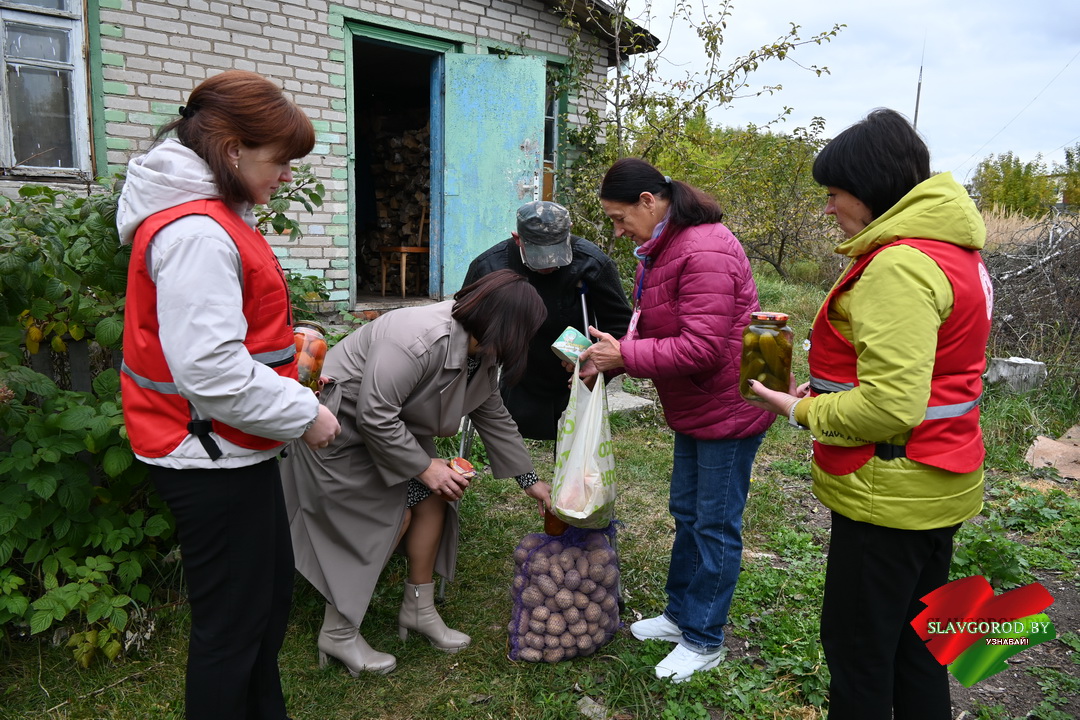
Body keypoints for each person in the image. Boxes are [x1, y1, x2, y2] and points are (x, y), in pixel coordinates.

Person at [748, 108, 992, 720]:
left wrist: (800, 409)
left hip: (890, 491)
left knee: (859, 655)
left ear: (871, 188)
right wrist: (831, 386)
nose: (829, 207)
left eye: (835, 193)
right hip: (939, 478)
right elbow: (933, 371)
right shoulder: (956, 253)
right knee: (920, 649)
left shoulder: (898, 265)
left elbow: (889, 404)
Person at [117, 70, 341, 720]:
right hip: (206, 457)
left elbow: (217, 335)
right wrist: (305, 414)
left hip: (231, 450)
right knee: (232, 631)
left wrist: (284, 349)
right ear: (232, 150)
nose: (288, 177)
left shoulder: (215, 218)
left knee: (263, 612)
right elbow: (211, 372)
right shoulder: (197, 234)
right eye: (281, 160)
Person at [280, 269, 553, 676]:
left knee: (434, 501)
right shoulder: (414, 338)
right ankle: (338, 632)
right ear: (507, 327)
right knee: (387, 517)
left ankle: (418, 610)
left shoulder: (481, 349)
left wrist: (529, 481)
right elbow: (374, 415)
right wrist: (425, 466)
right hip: (340, 430)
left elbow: (491, 410)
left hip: (393, 429)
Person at [575, 158, 774, 682]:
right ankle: (681, 614)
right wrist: (616, 353)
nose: (618, 232)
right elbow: (660, 325)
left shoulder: (704, 248)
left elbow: (703, 347)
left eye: (620, 219)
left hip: (728, 407)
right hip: (697, 405)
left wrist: (626, 356)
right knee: (687, 511)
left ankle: (704, 638)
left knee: (715, 523)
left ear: (648, 201)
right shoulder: (665, 246)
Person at [462, 200, 632, 440]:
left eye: (556, 256)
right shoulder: (489, 265)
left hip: (574, 370)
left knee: (575, 445)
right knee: (507, 434)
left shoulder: (591, 262)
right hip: (518, 369)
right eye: (540, 258)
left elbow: (620, 326)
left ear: (569, 231)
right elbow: (464, 329)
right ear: (517, 239)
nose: (549, 265)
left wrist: (600, 365)